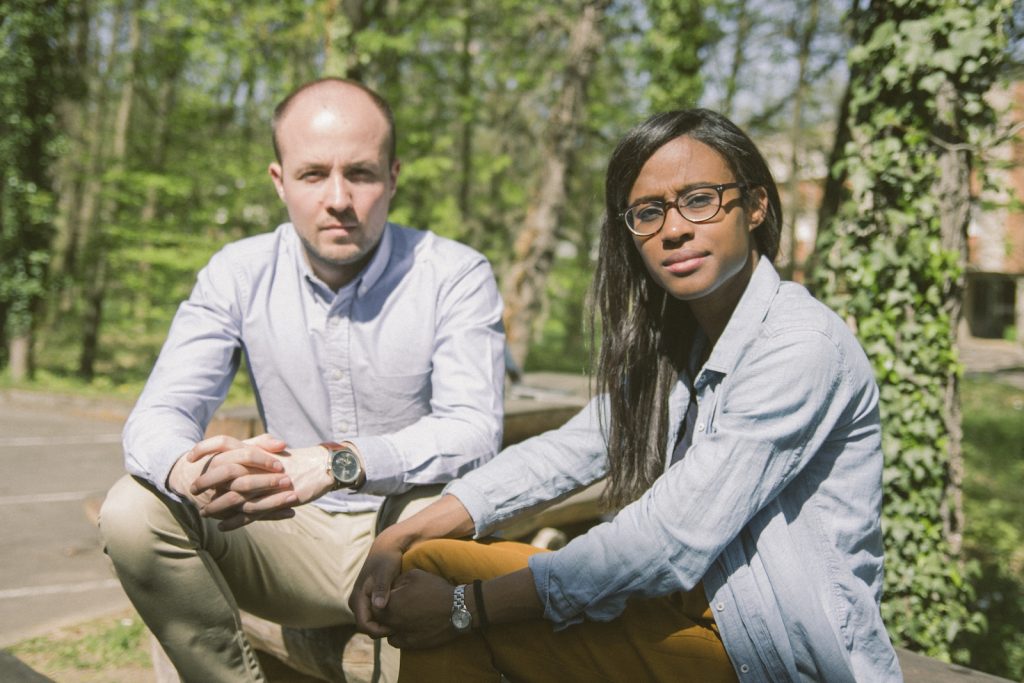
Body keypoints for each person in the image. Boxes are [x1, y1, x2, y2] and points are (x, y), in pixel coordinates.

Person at [349, 108, 903, 682]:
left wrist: (468, 609)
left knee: (455, 606)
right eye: (648, 212)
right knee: (431, 561)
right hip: (680, 616)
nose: (674, 229)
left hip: (765, 655)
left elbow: (668, 537)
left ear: (756, 205)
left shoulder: (799, 346)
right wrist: (402, 531)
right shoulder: (681, 344)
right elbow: (567, 452)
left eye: (699, 199)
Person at [97, 77, 505, 682]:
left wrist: (339, 461)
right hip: (280, 533)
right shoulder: (236, 273)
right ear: (279, 180)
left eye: (361, 174)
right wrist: (191, 469)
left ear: (393, 177)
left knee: (435, 554)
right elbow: (158, 417)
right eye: (314, 175)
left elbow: (474, 431)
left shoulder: (454, 274)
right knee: (134, 510)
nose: (339, 198)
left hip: (406, 528)